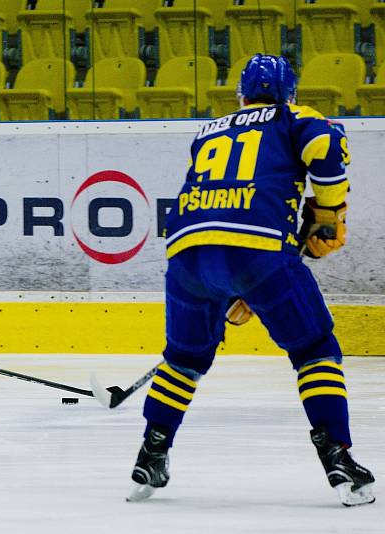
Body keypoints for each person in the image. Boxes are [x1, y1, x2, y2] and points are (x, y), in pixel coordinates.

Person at [128, 54, 375, 506]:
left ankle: (152, 452)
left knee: (184, 358)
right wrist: (327, 213)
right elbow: (325, 149)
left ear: (240, 96)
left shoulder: (209, 130)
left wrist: (233, 287)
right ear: (291, 94)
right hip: (256, 249)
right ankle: (337, 455)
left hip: (187, 251)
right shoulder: (294, 116)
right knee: (314, 348)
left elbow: (222, 197)